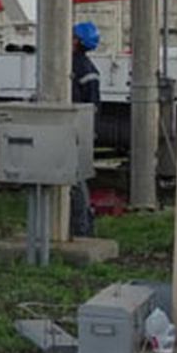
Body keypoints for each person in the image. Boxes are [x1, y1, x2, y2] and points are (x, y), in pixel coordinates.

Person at [69, 21, 101, 239]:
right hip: (77, 129)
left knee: (75, 181)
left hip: (71, 129)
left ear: (78, 41)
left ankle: (80, 228)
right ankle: (80, 227)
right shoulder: (89, 69)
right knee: (75, 179)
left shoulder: (74, 66)